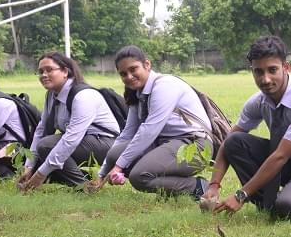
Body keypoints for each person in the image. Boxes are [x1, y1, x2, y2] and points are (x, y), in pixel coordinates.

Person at [202, 36, 291, 221]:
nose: (265, 79)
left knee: (288, 206)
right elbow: (229, 141)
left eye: (272, 70)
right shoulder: (258, 101)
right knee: (235, 142)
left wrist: (240, 195)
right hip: (287, 162)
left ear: (286, 68)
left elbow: (280, 156)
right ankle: (268, 204)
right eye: (258, 72)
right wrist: (214, 185)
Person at [89, 45, 211, 197]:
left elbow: (149, 130)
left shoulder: (164, 85)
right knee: (115, 154)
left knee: (139, 176)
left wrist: (119, 166)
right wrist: (103, 174)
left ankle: (198, 187)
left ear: (147, 65)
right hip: (165, 143)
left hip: (195, 146)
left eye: (133, 69)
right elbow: (128, 133)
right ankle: (171, 181)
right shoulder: (137, 93)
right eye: (123, 74)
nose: (129, 76)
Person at [18, 52, 119, 191]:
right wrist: (29, 166)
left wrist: (40, 174)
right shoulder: (52, 95)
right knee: (46, 154)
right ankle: (86, 180)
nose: (44, 75)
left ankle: (83, 187)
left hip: (105, 143)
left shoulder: (83, 96)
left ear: (65, 71)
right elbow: (41, 130)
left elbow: (71, 139)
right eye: (40, 71)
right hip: (82, 142)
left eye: (49, 70)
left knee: (47, 147)